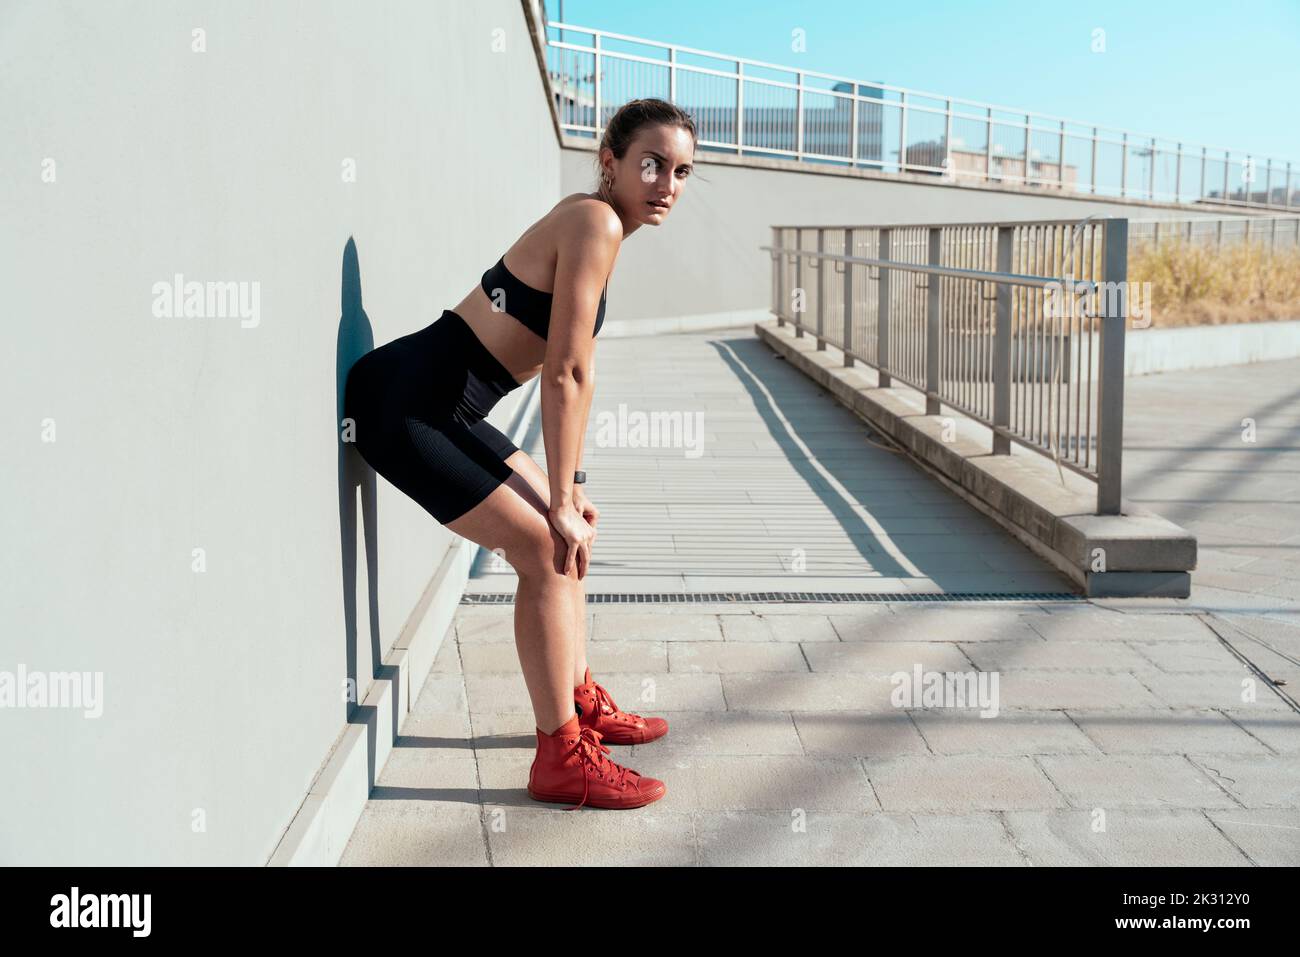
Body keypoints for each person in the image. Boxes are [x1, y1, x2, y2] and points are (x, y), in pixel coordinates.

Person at [343, 98, 698, 810]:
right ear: (611, 162)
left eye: (682, 171)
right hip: (402, 405)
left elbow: (573, 373)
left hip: (444, 407)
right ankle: (561, 756)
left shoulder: (600, 226)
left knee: (572, 537)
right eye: (652, 163)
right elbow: (567, 371)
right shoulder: (595, 220)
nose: (667, 183)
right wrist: (557, 499)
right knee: (543, 543)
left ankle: (579, 697)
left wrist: (572, 489)